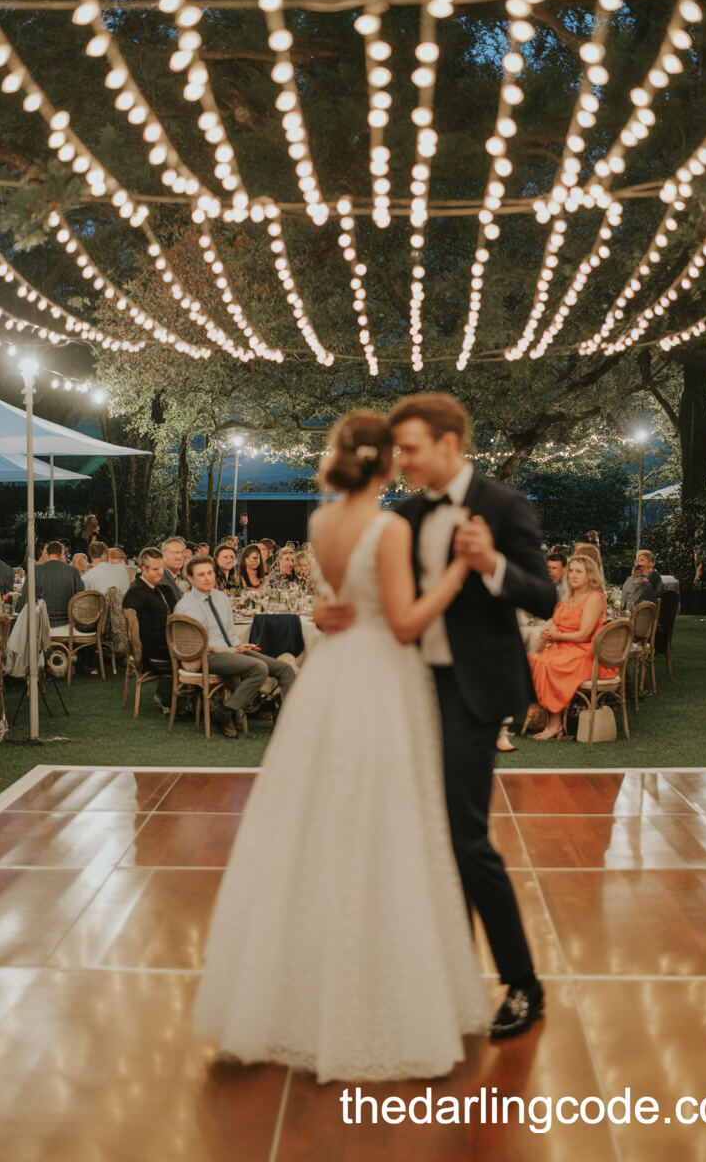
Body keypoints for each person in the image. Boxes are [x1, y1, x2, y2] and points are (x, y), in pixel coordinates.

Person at [194, 410, 490, 1080]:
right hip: (382, 678)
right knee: (389, 821)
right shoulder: (386, 527)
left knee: (314, 816)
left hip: (332, 675)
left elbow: (338, 601)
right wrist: (459, 573)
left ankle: (294, 982)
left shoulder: (322, 522)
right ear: (385, 463)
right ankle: (381, 989)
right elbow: (408, 622)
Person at [316, 394, 555, 1041]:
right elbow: (392, 599)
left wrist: (491, 565)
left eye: (412, 449)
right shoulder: (407, 513)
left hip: (472, 694)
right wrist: (342, 611)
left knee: (465, 838)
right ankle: (449, 983)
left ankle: (523, 984)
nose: (403, 461)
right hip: (408, 689)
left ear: (449, 444)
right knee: (427, 841)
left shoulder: (504, 506)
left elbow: (546, 595)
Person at [177, 555, 295, 739]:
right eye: (201, 575)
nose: (207, 578)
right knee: (258, 668)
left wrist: (239, 646)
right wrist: (231, 650)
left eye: (209, 573)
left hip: (230, 649)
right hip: (207, 656)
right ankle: (227, 712)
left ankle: (289, 721)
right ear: (190, 579)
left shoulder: (221, 598)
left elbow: (228, 631)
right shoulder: (187, 606)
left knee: (285, 669)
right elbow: (201, 645)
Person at [527, 554, 616, 741]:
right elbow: (555, 622)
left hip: (587, 653)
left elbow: (584, 634)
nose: (573, 575)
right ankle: (537, 717)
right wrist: (548, 633)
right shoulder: (568, 598)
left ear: (589, 575)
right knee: (533, 659)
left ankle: (555, 724)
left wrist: (558, 636)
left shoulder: (594, 598)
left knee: (551, 665)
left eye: (579, 572)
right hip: (563, 648)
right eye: (571, 571)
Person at [122, 547, 175, 706]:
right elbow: (146, 635)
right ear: (143, 569)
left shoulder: (157, 589)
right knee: (196, 654)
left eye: (162, 568)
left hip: (163, 645)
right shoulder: (137, 594)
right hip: (152, 653)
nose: (160, 573)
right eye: (155, 569)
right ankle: (175, 700)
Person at [16, 541, 84, 628]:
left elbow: (25, 598)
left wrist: (17, 611)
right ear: (61, 554)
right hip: (67, 625)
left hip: (41, 625)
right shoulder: (73, 571)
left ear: (47, 553)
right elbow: (81, 598)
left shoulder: (36, 571)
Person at [160, 537, 188, 603]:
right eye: (175, 552)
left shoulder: (188, 577)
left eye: (182, 552)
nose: (179, 557)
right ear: (163, 555)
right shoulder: (157, 579)